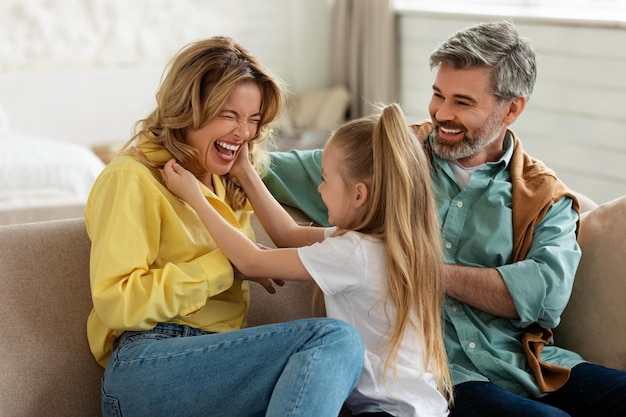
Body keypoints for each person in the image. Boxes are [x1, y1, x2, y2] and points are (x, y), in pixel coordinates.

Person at [261, 21, 626, 417]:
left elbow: (545, 295)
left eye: (463, 102)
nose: (442, 113)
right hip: (443, 379)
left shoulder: (542, 195)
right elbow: (269, 167)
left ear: (512, 108)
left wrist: (420, 267)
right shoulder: (391, 159)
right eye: (438, 95)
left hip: (534, 364)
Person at [85, 36, 365, 417]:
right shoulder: (131, 178)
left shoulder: (225, 180)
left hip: (219, 364)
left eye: (253, 120)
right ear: (188, 109)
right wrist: (226, 266)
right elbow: (117, 304)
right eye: (230, 115)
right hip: (147, 364)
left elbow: (292, 230)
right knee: (333, 339)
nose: (243, 133)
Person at [163, 103, 454, 417]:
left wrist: (194, 196)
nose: (319, 188)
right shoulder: (383, 245)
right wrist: (245, 171)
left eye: (325, 179)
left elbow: (250, 262)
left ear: (359, 195)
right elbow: (287, 234)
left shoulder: (355, 253)